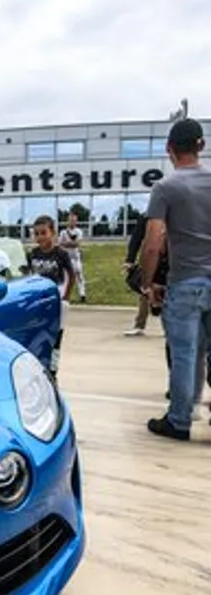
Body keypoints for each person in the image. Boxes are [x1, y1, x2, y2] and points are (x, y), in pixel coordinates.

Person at [140, 117, 211, 440]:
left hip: (185, 283)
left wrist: (147, 282)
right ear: (202, 146)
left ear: (170, 150)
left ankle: (179, 420)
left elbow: (154, 241)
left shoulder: (165, 188)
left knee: (184, 353)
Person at [26, 215, 76, 380]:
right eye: (36, 233)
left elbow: (71, 274)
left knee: (55, 336)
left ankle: (53, 370)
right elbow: (28, 276)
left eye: (43, 233)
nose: (40, 237)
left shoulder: (60, 254)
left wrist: (66, 297)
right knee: (38, 334)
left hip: (57, 299)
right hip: (39, 301)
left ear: (53, 233)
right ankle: (38, 365)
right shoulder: (32, 254)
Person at [122, 215, 152, 336]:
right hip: (151, 256)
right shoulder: (148, 216)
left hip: (172, 256)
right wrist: (130, 259)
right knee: (145, 288)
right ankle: (140, 324)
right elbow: (136, 238)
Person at [58, 213, 87, 302]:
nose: (72, 222)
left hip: (76, 257)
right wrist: (69, 244)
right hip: (67, 258)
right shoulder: (63, 232)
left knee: (79, 276)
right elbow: (60, 243)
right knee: (66, 277)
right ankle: (65, 295)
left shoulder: (79, 231)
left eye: (74, 220)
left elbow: (77, 244)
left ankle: (82, 294)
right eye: (70, 220)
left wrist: (67, 244)